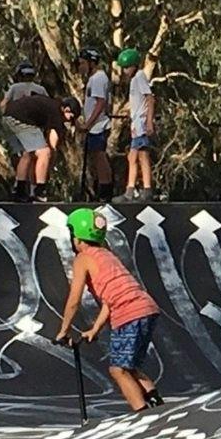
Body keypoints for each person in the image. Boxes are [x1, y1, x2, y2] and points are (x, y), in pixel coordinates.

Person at [55, 206, 164, 412]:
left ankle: (143, 415)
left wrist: (64, 330)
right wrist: (95, 330)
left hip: (129, 313)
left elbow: (74, 300)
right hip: (146, 308)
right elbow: (108, 302)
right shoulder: (106, 254)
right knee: (129, 367)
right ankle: (157, 406)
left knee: (118, 370)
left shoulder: (83, 258)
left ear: (77, 237)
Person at [2, 61, 63, 203]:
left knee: (27, 155)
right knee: (44, 153)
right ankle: (39, 189)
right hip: (28, 122)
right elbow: (46, 105)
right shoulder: (40, 89)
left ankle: (20, 188)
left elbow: (3, 104)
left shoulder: (14, 87)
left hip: (12, 122)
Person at [75, 47, 115, 201]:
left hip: (98, 125)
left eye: (83, 63)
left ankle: (106, 189)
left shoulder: (98, 79)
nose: (81, 67)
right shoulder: (93, 79)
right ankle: (103, 187)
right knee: (96, 157)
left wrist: (88, 124)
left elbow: (100, 103)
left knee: (100, 156)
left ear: (91, 63)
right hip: (94, 126)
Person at [119, 48, 156, 202]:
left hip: (141, 124)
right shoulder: (135, 80)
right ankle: (133, 190)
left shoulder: (140, 77)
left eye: (127, 67)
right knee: (134, 157)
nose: (125, 71)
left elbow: (150, 98)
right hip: (136, 124)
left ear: (134, 66)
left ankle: (143, 190)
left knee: (141, 156)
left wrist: (148, 122)